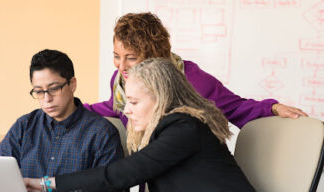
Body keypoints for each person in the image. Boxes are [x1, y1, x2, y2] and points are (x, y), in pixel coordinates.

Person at [24, 58, 272, 192]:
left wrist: (48, 184)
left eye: (133, 102)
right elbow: (175, 186)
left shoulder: (183, 127)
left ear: (161, 98)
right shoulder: (167, 131)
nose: (126, 111)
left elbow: (127, 171)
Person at [83, 12, 307, 129]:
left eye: (131, 58)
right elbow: (115, 108)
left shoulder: (191, 79)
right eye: (116, 56)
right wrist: (74, 109)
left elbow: (235, 107)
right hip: (154, 177)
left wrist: (273, 108)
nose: (121, 66)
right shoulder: (121, 81)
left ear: (154, 55)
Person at [0, 49, 124, 192]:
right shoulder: (24, 126)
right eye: (39, 91)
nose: (47, 98)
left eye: (54, 88)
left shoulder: (101, 132)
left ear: (72, 84)